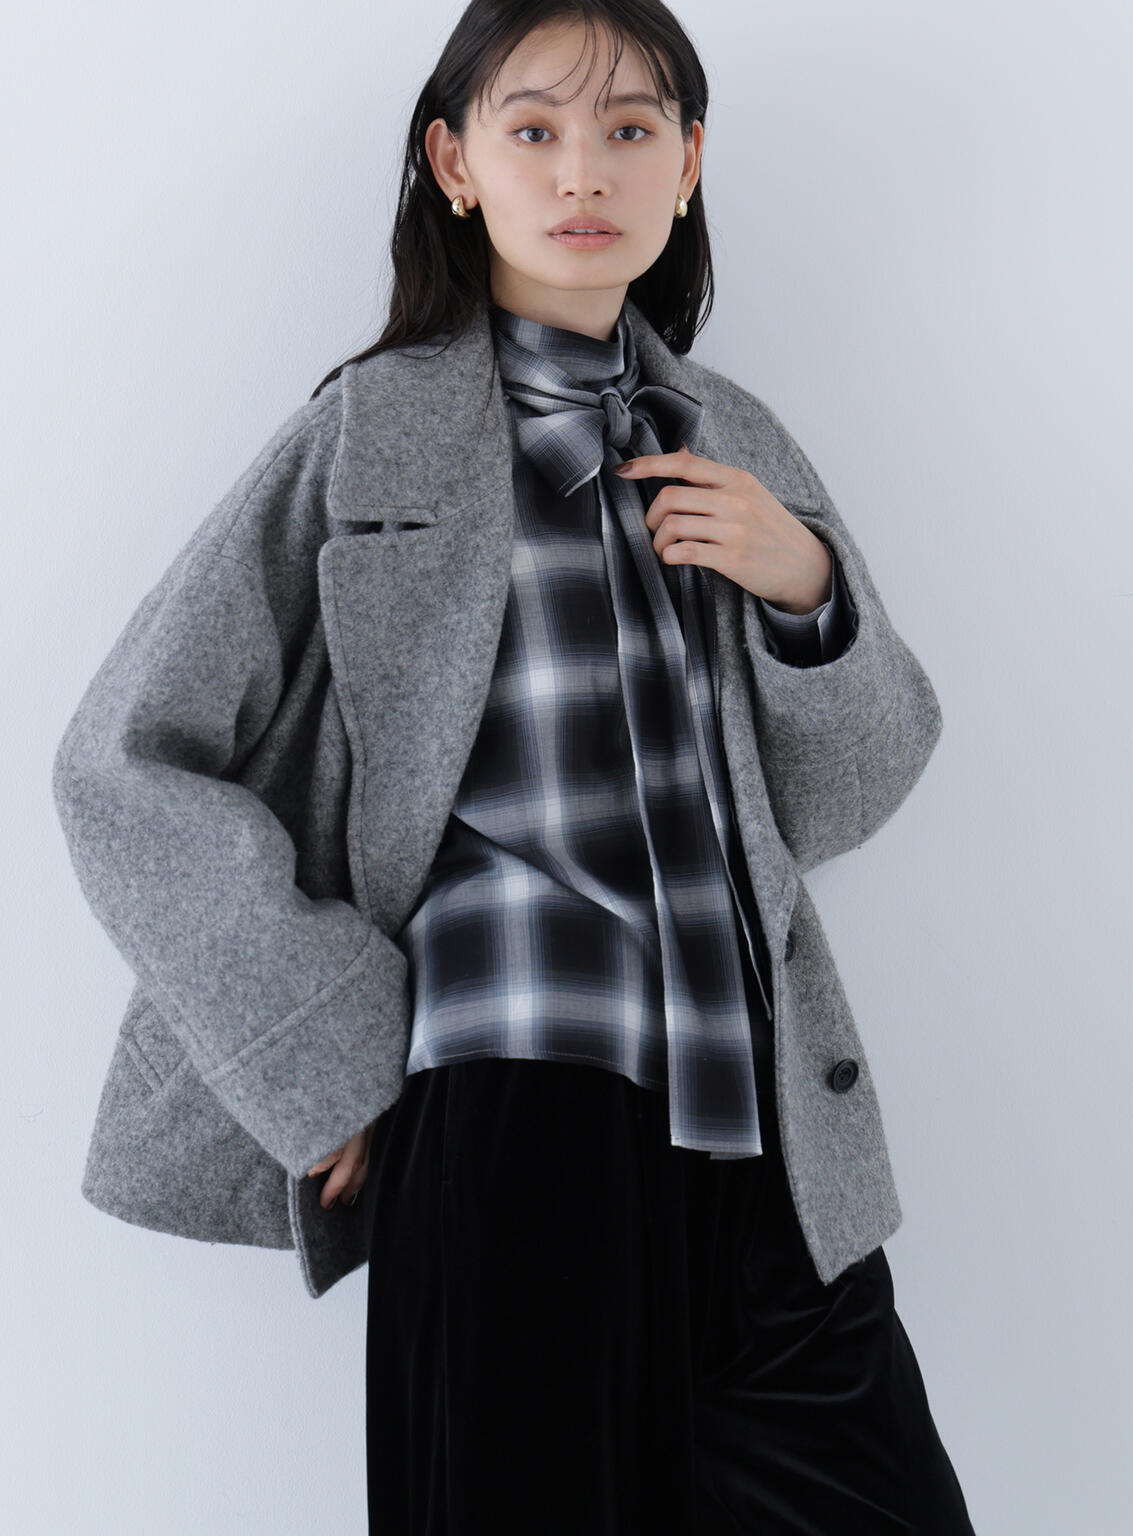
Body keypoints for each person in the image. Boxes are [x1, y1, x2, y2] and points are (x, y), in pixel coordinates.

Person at [52, 1, 974, 1531]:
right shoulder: (371, 434)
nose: (583, 170)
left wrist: (805, 589)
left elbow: (844, 795)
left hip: (758, 1133)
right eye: (533, 128)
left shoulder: (731, 438)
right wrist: (319, 1054)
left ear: (688, 162)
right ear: (455, 163)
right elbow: (122, 763)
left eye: (630, 128)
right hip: (510, 1118)